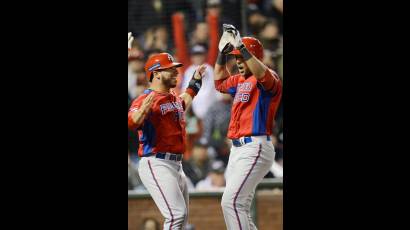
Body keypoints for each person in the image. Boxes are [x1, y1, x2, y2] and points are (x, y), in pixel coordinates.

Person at [128, 51, 207, 229]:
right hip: (156, 162)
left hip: (176, 165)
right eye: (169, 70)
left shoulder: (173, 98)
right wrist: (141, 113)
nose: (175, 72)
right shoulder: (145, 99)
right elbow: (131, 121)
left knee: (182, 218)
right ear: (156, 74)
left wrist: (195, 82)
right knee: (176, 215)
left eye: (175, 69)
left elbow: (185, 100)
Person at [214, 24, 282, 230]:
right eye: (236, 57)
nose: (238, 61)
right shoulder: (240, 79)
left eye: (242, 56)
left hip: (255, 146)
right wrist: (221, 54)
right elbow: (219, 82)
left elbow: (263, 75)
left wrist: (243, 48)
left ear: (254, 57)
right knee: (239, 205)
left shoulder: (269, 77)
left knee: (231, 203)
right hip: (237, 149)